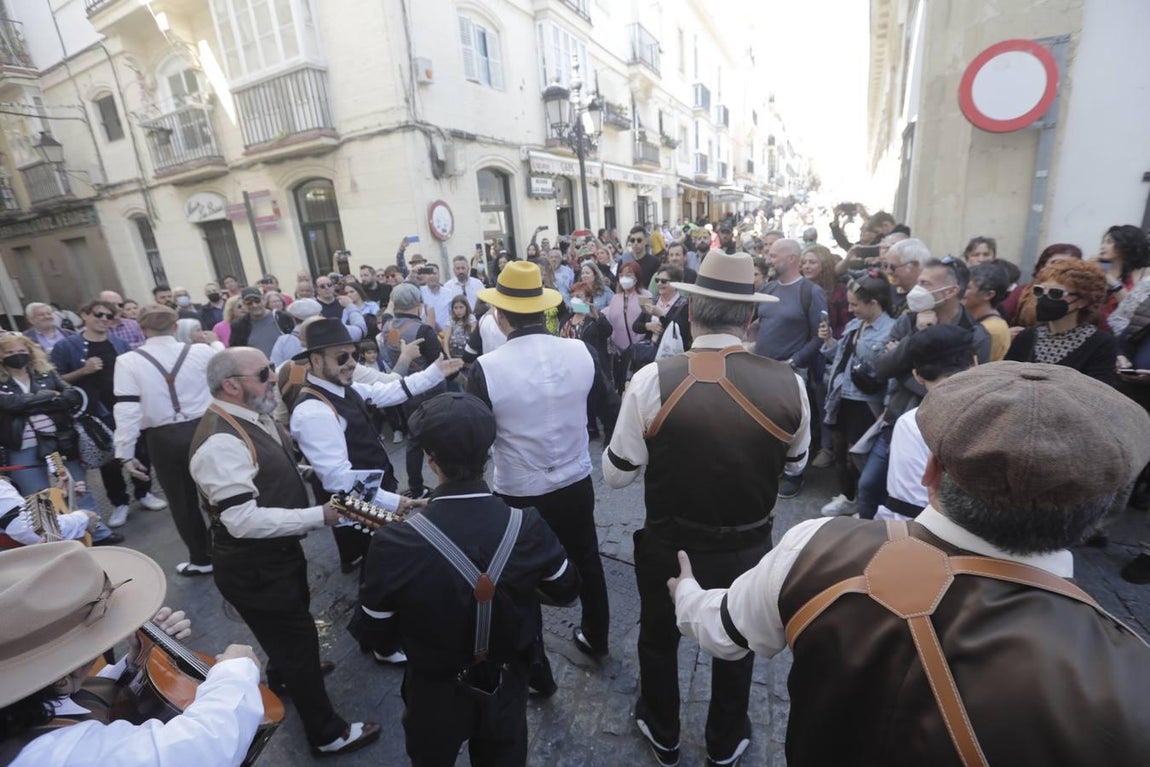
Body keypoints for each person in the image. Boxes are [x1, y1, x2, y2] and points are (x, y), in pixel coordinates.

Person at [670, 362, 1150, 766]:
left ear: (930, 472)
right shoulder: (1130, 678)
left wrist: (685, 592)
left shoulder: (818, 545)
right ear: (1102, 512)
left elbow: (722, 632)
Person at [603, 249, 809, 767]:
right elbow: (797, 462)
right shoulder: (790, 383)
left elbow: (615, 474)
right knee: (737, 640)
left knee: (656, 638)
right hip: (748, 545)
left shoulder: (653, 379)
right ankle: (724, 738)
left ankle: (663, 727)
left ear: (691, 314)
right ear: (751, 321)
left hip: (670, 544)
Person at [350, 392, 581, 766]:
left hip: (434, 690)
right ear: (487, 454)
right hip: (507, 684)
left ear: (430, 460)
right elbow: (567, 589)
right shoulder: (527, 524)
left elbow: (376, 631)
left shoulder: (394, 541)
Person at [187, 347, 382, 757]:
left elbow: (278, 471)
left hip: (274, 557)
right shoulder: (220, 442)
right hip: (253, 565)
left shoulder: (251, 418)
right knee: (297, 640)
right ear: (232, 385)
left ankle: (282, 674)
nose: (274, 378)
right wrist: (320, 515)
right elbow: (241, 520)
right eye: (264, 373)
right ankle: (327, 733)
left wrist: (322, 479)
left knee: (289, 633)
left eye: (272, 369)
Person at [466, 261, 612, 686]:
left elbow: (477, 433)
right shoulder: (579, 350)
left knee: (520, 576)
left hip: (519, 488)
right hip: (574, 477)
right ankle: (597, 636)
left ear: (500, 314)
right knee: (587, 555)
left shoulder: (487, 368)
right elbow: (607, 402)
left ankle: (536, 670)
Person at [0, 541, 265, 766]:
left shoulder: (26, 706)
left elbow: (74, 702)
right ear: (61, 679)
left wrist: (135, 661)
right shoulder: (53, 756)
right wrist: (236, 672)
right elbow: (203, 748)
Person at [291, 318, 459, 574]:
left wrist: (435, 372)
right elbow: (339, 481)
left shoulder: (345, 388)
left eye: (354, 355)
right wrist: (391, 501)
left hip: (376, 495)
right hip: (364, 503)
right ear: (316, 360)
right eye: (341, 357)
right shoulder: (314, 412)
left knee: (390, 556)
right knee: (383, 563)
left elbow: (391, 390)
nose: (351, 363)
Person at [859, 254, 992, 521]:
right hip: (898, 419)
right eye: (918, 281)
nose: (917, 289)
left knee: (923, 499)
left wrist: (909, 370)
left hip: (945, 431)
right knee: (869, 485)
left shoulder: (975, 334)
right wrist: (917, 337)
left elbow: (965, 383)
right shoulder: (908, 320)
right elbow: (884, 369)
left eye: (926, 284)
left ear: (951, 290)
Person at [113, 305, 217, 576]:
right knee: (220, 491)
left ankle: (202, 559)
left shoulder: (127, 361)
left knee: (182, 501)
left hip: (163, 437)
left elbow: (126, 409)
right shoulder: (201, 352)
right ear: (175, 326)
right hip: (206, 429)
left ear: (141, 329)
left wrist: (124, 451)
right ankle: (235, 548)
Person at [51, 300, 166, 528]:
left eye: (109, 316)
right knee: (110, 459)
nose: (104, 319)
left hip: (129, 407)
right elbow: (54, 380)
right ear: (84, 315)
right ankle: (119, 502)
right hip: (95, 413)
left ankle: (144, 493)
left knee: (140, 452)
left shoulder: (120, 343)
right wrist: (83, 371)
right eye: (98, 314)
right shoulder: (67, 347)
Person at [0, 334, 118, 545]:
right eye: (9, 352)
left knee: (77, 488)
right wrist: (50, 397)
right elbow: (9, 404)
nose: (16, 355)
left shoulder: (46, 373)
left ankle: (98, 533)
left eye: (21, 350)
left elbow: (71, 396)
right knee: (38, 498)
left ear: (30, 351)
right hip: (22, 449)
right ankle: (56, 543)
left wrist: (27, 403)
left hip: (58, 444)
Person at [876, 324, 975, 522]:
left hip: (941, 535)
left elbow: (907, 507)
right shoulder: (1007, 410)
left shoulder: (914, 423)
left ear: (918, 376)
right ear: (975, 362)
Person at [818, 274, 896, 518]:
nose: (850, 310)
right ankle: (848, 497)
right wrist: (829, 341)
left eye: (855, 305)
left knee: (859, 456)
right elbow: (840, 359)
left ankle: (866, 504)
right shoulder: (854, 326)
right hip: (842, 397)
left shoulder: (891, 330)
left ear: (873, 303)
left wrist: (888, 407)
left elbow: (888, 371)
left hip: (867, 403)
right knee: (840, 452)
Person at [754, 238, 827, 499]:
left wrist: (794, 361)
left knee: (791, 424)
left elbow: (819, 337)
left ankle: (794, 473)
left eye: (774, 256)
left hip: (791, 372)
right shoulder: (769, 287)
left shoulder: (811, 292)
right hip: (762, 370)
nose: (768, 259)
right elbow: (759, 324)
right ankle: (772, 468)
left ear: (792, 259)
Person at [380, 284, 450, 498]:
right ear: (419, 304)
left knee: (414, 440)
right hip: (431, 392)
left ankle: (417, 488)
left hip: (405, 390)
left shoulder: (386, 327)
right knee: (444, 437)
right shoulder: (423, 330)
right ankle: (450, 484)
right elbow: (441, 364)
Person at [1005, 259, 1117, 384]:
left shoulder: (1101, 344)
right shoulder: (1026, 337)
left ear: (1083, 301)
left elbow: (1098, 392)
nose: (1044, 298)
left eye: (1056, 293)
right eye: (1039, 291)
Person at [1001, 243, 1082, 326]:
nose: (1059, 268)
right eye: (1055, 263)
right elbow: (1001, 317)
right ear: (1042, 265)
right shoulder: (1022, 292)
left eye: (1067, 264)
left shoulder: (1079, 296)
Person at [603, 261, 651, 393]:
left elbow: (649, 319)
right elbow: (609, 318)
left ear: (637, 277)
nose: (625, 278)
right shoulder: (615, 298)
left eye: (629, 274)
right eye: (622, 275)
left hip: (638, 352)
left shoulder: (645, 296)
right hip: (619, 352)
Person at [1094, 224, 1150, 330]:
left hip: (1125, 335)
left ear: (1125, 244)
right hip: (1097, 333)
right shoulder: (1099, 268)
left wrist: (1112, 281)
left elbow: (1132, 309)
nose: (1102, 246)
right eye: (1103, 242)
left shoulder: (1144, 273)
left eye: (1109, 242)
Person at [634, 266, 692, 352]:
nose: (659, 284)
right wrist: (648, 326)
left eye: (663, 281)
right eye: (657, 280)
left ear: (675, 283)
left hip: (672, 355)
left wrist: (662, 315)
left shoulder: (685, 305)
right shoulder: (653, 301)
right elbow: (635, 326)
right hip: (650, 353)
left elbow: (681, 333)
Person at [963, 261, 1012, 361]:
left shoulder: (993, 329)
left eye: (967, 288)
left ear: (988, 295)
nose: (960, 290)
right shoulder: (978, 320)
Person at [228, 288, 292, 356]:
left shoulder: (282, 318)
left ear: (264, 300)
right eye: (249, 303)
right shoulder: (239, 326)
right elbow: (236, 351)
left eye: (257, 301)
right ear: (244, 304)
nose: (254, 305)